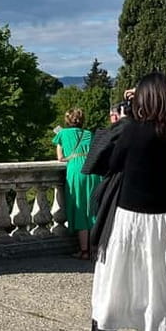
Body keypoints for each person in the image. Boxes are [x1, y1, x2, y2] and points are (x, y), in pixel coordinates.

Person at [66, 72, 166, 331]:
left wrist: (128, 108)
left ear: (139, 100)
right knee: (161, 292)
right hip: (165, 220)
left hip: (127, 219)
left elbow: (99, 161)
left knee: (111, 288)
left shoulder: (131, 130)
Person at [52, 108, 101, 259]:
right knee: (92, 208)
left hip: (75, 171)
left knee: (80, 209)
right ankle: (95, 249)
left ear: (67, 120)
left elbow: (60, 157)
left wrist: (71, 157)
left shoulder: (62, 134)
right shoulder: (88, 134)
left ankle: (84, 251)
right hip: (91, 171)